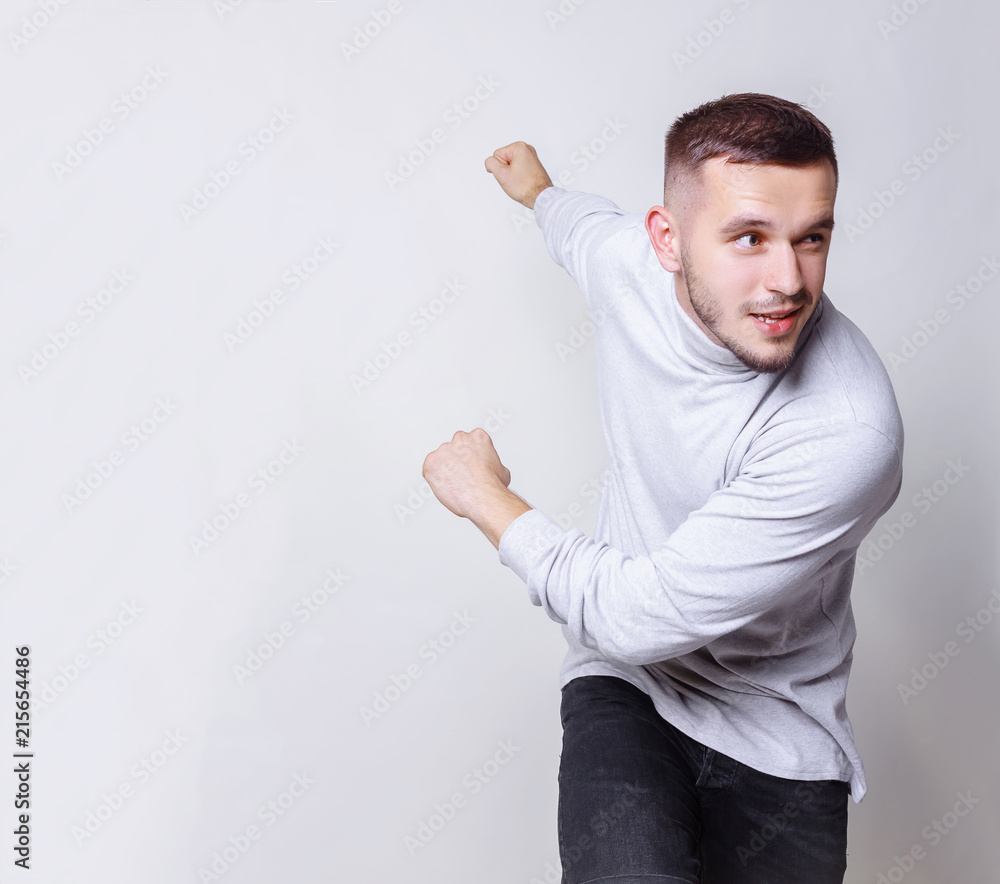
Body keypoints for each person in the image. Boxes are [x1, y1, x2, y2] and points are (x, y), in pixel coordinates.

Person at [421, 92, 904, 883]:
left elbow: (640, 613)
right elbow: (581, 227)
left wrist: (486, 497)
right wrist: (538, 188)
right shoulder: (627, 267)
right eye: (749, 237)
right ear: (667, 242)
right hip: (632, 687)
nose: (788, 280)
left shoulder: (847, 430)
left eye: (810, 238)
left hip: (780, 741)